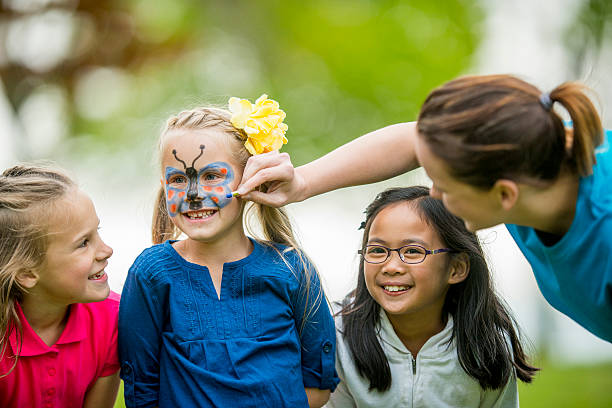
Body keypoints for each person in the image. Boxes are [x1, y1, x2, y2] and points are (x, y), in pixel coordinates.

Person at [233, 74, 612, 343]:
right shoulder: (529, 155)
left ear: (504, 195)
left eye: (443, 184)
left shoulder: (603, 237)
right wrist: (302, 183)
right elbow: (415, 140)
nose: (432, 191)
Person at [118, 96, 339, 408]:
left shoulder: (292, 269)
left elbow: (317, 385)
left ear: (250, 179)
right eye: (179, 179)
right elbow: (141, 391)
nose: (194, 195)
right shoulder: (152, 274)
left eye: (212, 176)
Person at [325, 186, 537, 407]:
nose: (392, 266)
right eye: (377, 250)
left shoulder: (488, 345)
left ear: (456, 268)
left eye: (413, 251)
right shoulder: (337, 336)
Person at [0, 164, 120, 407]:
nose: (106, 251)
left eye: (97, 232)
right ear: (26, 273)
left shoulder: (111, 318)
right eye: (84, 243)